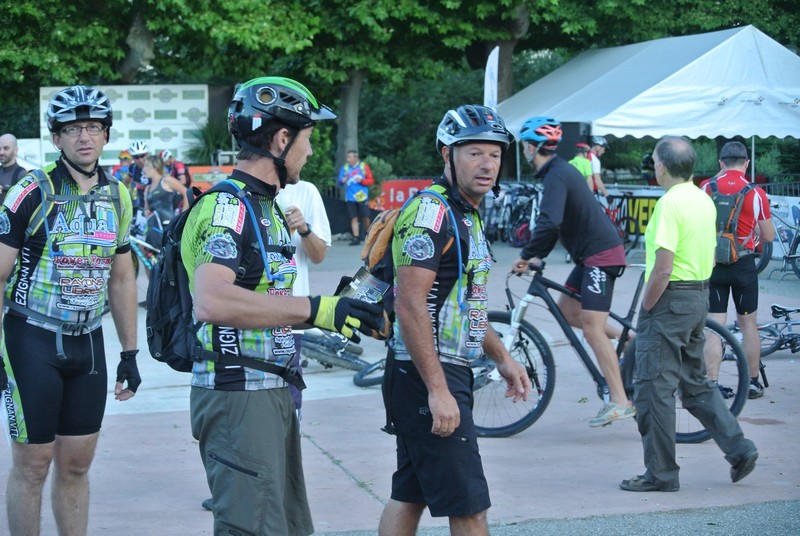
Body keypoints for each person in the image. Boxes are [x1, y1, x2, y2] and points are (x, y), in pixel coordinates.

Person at [182, 76, 382, 536]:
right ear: (281, 139)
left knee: (286, 526)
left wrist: (343, 305)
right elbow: (211, 299)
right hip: (238, 393)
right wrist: (315, 309)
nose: (309, 152)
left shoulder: (267, 206)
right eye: (307, 139)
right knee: (251, 527)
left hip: (270, 386)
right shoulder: (229, 208)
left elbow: (269, 295)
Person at [378, 105, 530, 536]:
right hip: (426, 372)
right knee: (469, 507)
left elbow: (467, 304)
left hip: (437, 369)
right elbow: (409, 304)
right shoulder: (431, 213)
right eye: (474, 153)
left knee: (411, 492)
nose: (487, 165)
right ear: (447, 154)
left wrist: (502, 357)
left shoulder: (467, 213)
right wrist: (438, 390)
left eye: (495, 155)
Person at [0, 85, 140, 535]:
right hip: (31, 337)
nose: (84, 137)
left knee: (77, 464)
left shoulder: (118, 195)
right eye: (73, 128)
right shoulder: (30, 191)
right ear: (56, 137)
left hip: (88, 343)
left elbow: (122, 278)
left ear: (106, 135)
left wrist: (130, 353)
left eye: (93, 127)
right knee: (33, 463)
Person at [620, 136, 758, 493]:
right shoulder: (702, 199)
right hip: (698, 295)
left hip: (669, 300)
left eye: (655, 160)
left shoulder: (669, 203)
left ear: (663, 166)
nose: (653, 165)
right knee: (695, 385)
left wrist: (647, 308)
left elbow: (663, 267)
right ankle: (740, 449)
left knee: (654, 390)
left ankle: (661, 473)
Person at [511, 116, 634, 427]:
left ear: (532, 147)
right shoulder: (558, 171)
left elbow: (549, 222)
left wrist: (527, 255)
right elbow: (555, 224)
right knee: (568, 311)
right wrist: (537, 255)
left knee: (592, 328)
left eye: (525, 145)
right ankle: (631, 340)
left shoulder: (556, 174)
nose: (524, 150)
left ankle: (620, 401)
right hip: (590, 255)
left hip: (600, 255)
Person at [699, 141, 774, 399]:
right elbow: (769, 236)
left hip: (713, 264)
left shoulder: (706, 188)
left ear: (721, 162)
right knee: (748, 324)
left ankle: (712, 384)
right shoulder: (756, 193)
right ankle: (752, 383)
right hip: (743, 265)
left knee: (714, 326)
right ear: (747, 163)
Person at [338, 149, 374, 245]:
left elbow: (371, 180)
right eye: (347, 157)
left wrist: (362, 180)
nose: (348, 159)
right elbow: (339, 182)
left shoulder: (363, 167)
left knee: (366, 217)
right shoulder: (345, 168)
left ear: (355, 158)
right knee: (353, 217)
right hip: (350, 197)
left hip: (362, 196)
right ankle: (356, 238)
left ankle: (368, 235)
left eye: (350, 157)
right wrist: (342, 180)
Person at [0, 133, 28, 204]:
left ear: (15, 150)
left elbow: (24, 205)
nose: (1, 152)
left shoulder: (22, 175)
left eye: (6, 148)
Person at [128, 139, 150, 211]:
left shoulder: (154, 167)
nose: (140, 160)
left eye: (142, 156)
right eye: (136, 157)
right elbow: (126, 182)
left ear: (147, 154)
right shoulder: (132, 168)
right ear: (132, 157)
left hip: (155, 205)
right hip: (140, 206)